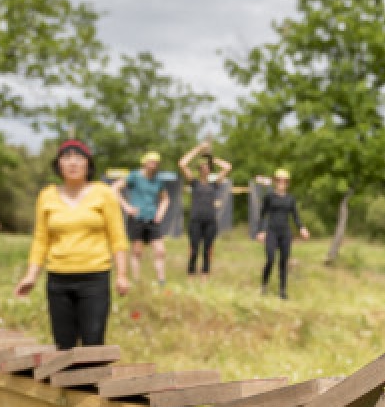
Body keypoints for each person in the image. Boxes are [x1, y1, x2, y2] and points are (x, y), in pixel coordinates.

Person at [14, 139, 130, 349]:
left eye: (78, 158)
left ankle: (92, 372)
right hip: (58, 279)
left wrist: (121, 275)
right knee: (63, 347)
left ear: (88, 164)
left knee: (93, 343)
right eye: (66, 158)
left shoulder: (104, 193)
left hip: (94, 278)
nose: (72, 163)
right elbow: (41, 239)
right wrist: (31, 276)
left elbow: (117, 237)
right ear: (58, 164)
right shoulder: (47, 195)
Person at [113, 152, 171, 286]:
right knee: (137, 251)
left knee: (160, 250)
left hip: (152, 220)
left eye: (156, 163)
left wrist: (160, 213)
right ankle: (136, 280)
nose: (154, 165)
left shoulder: (158, 180)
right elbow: (115, 188)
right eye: (151, 162)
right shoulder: (134, 176)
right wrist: (126, 207)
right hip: (137, 218)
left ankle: (161, 281)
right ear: (144, 162)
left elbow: (165, 199)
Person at [178, 140, 232, 278]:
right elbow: (182, 164)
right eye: (202, 166)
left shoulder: (215, 184)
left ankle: (205, 275)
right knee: (194, 249)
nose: (205, 168)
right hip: (195, 221)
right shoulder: (194, 183)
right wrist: (199, 149)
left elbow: (227, 167)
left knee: (208, 250)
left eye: (207, 166)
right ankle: (191, 274)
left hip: (210, 222)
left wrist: (211, 158)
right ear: (199, 169)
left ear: (210, 169)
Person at [256, 169, 310, 299]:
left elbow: (295, 216)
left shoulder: (290, 199)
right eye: (279, 180)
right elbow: (263, 215)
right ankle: (264, 286)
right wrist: (261, 231)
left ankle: (282, 291)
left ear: (287, 183)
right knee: (270, 259)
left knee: (283, 262)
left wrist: (302, 228)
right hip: (272, 231)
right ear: (275, 181)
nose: (281, 183)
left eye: (284, 181)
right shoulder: (269, 197)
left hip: (285, 233)